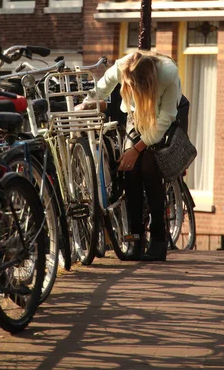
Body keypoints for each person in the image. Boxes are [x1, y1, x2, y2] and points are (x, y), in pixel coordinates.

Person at [78, 50, 182, 262]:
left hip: (164, 116)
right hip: (136, 116)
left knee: (149, 168)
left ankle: (159, 241)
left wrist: (136, 150)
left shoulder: (167, 73)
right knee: (129, 173)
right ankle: (134, 240)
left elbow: (166, 118)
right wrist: (85, 103)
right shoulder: (121, 67)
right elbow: (101, 88)